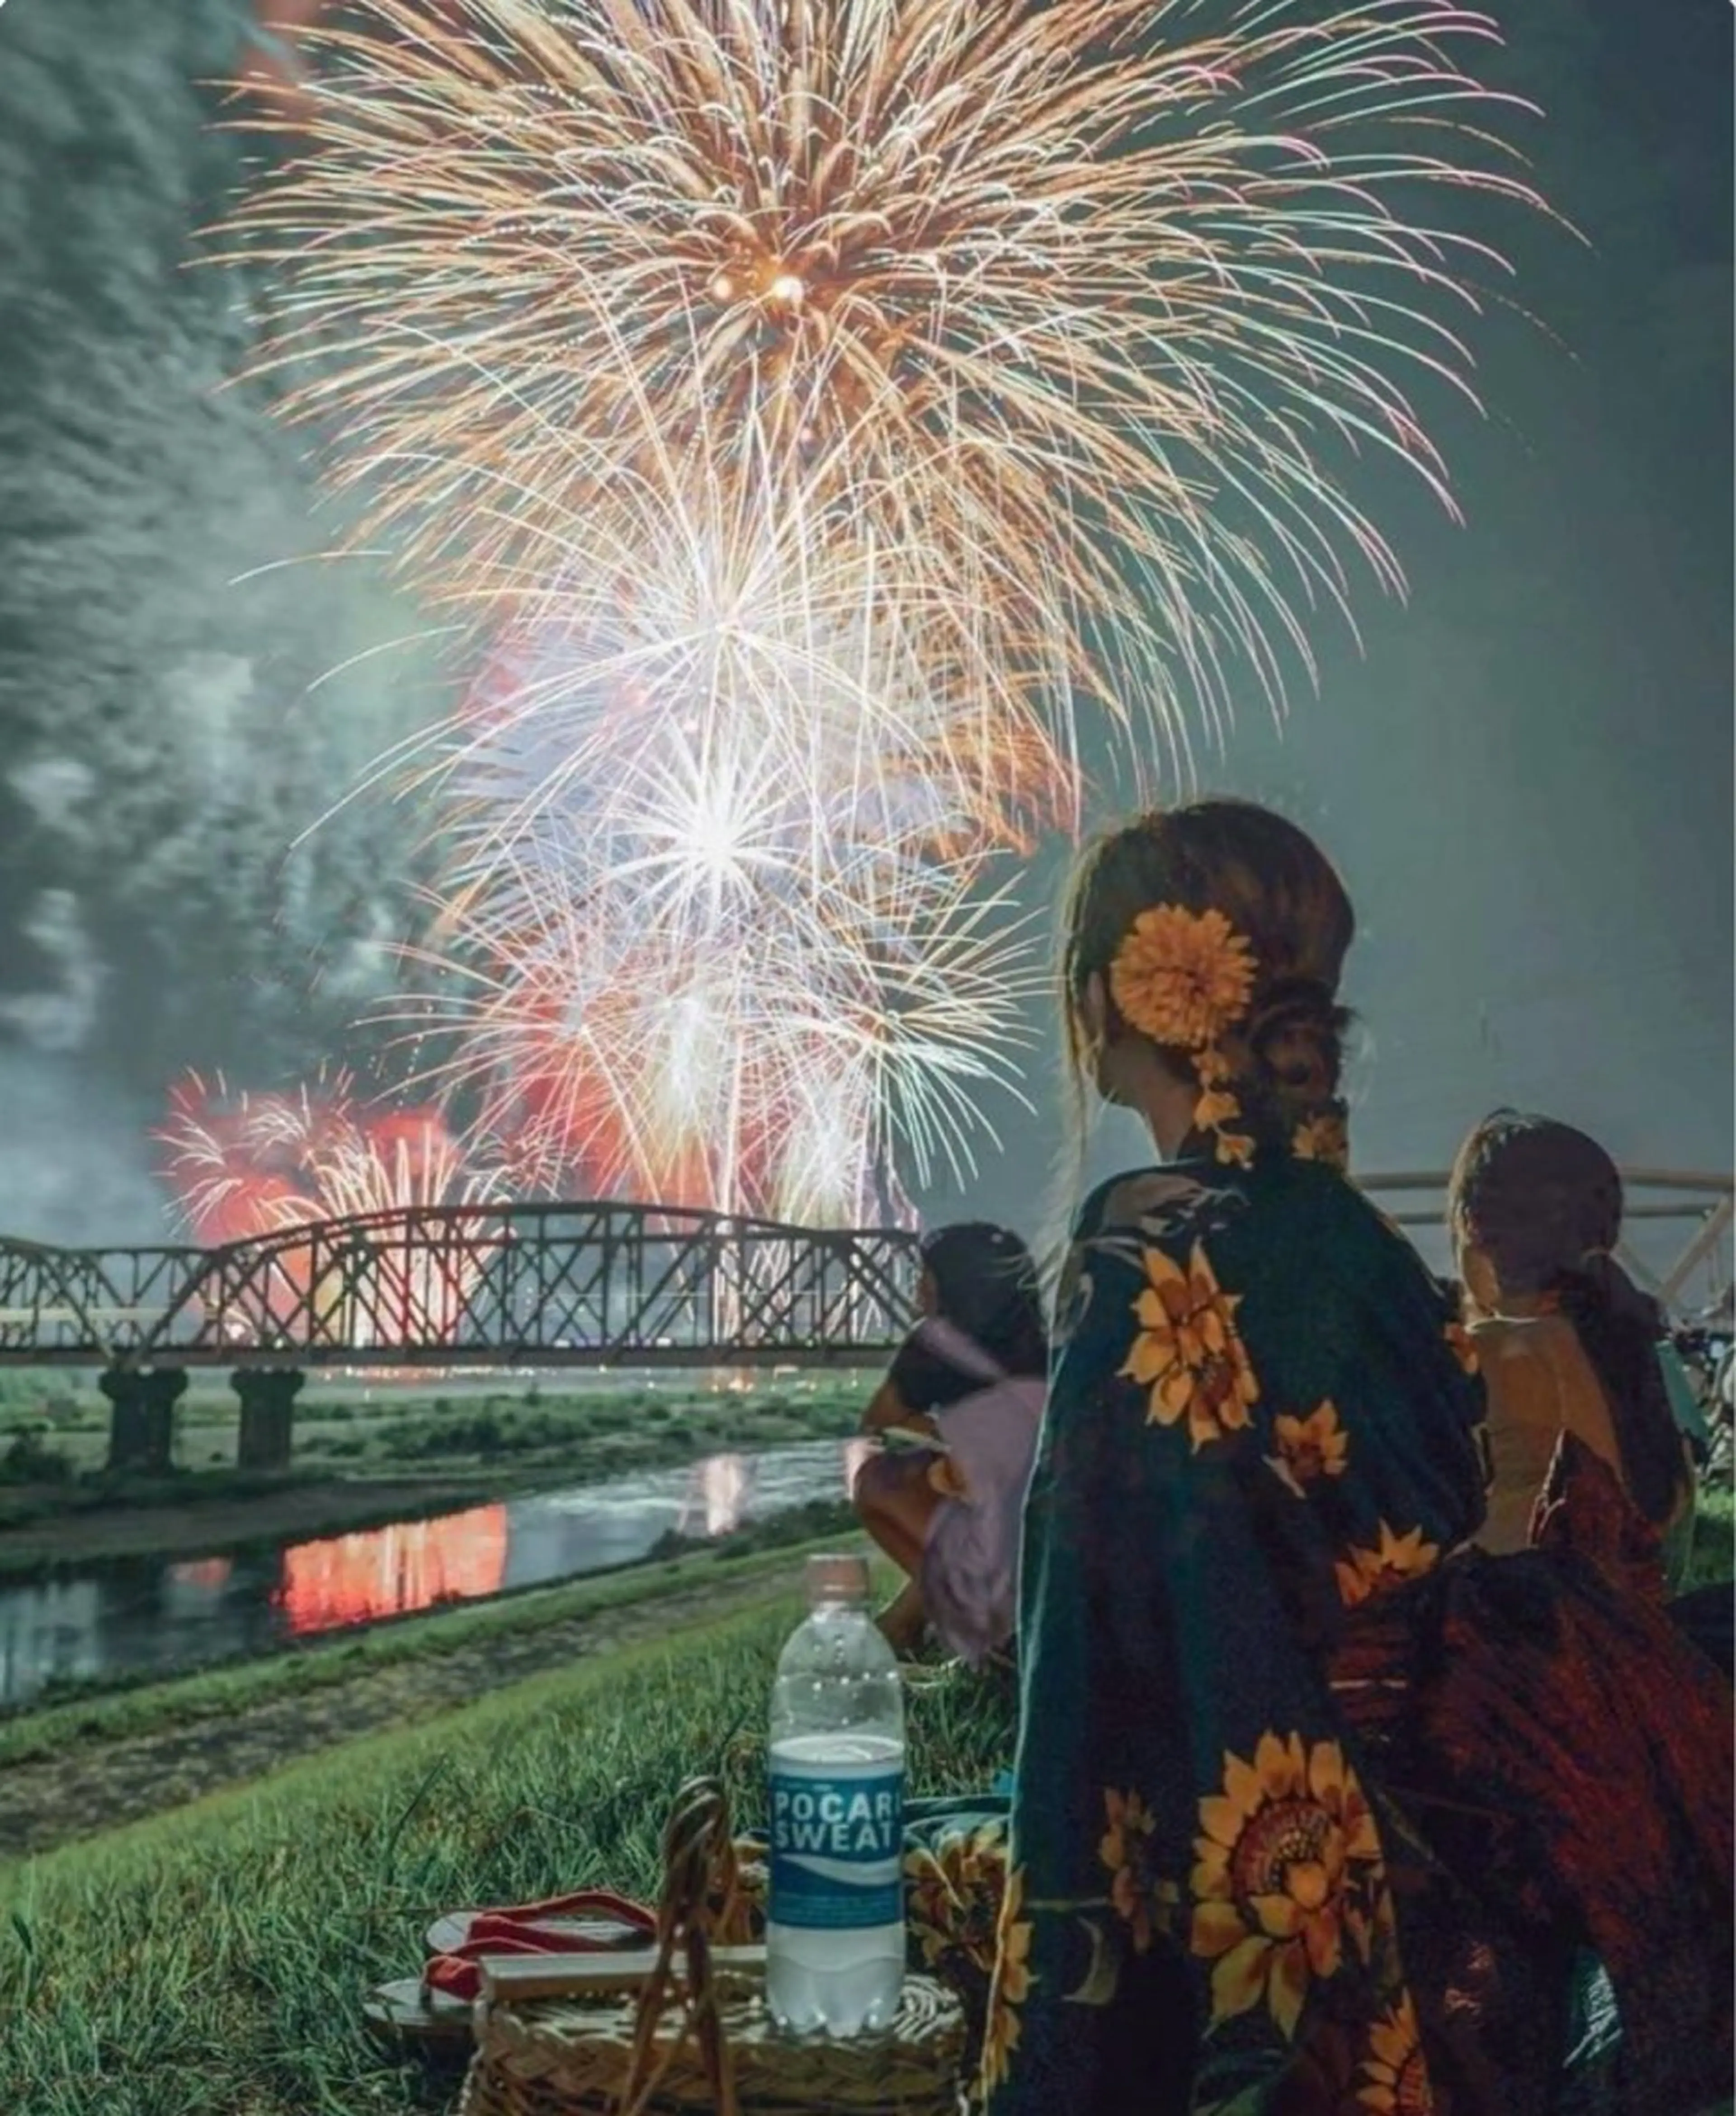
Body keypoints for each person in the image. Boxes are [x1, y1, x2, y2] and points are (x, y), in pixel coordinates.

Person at [983, 801, 1731, 2116]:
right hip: (1449, 1891)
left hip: (1257, 1865)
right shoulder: (1352, 1241)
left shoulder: (1140, 1245)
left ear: (1120, 991)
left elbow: (1088, 1637)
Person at [1448, 1110, 1698, 1586]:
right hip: (1640, 1640)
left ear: (1473, 1228)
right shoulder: (1639, 1353)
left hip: (1518, 1644)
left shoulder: (1488, 1355)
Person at [853, 1221, 1049, 1665]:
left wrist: (942, 1437)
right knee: (966, 1492)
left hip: (997, 1553)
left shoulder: (935, 1343)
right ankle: (907, 1623)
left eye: (927, 1274)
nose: (917, 1286)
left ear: (957, 1282)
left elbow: (877, 1421)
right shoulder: (1045, 1344)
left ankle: (986, 1632)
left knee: (879, 1481)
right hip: (1048, 1545)